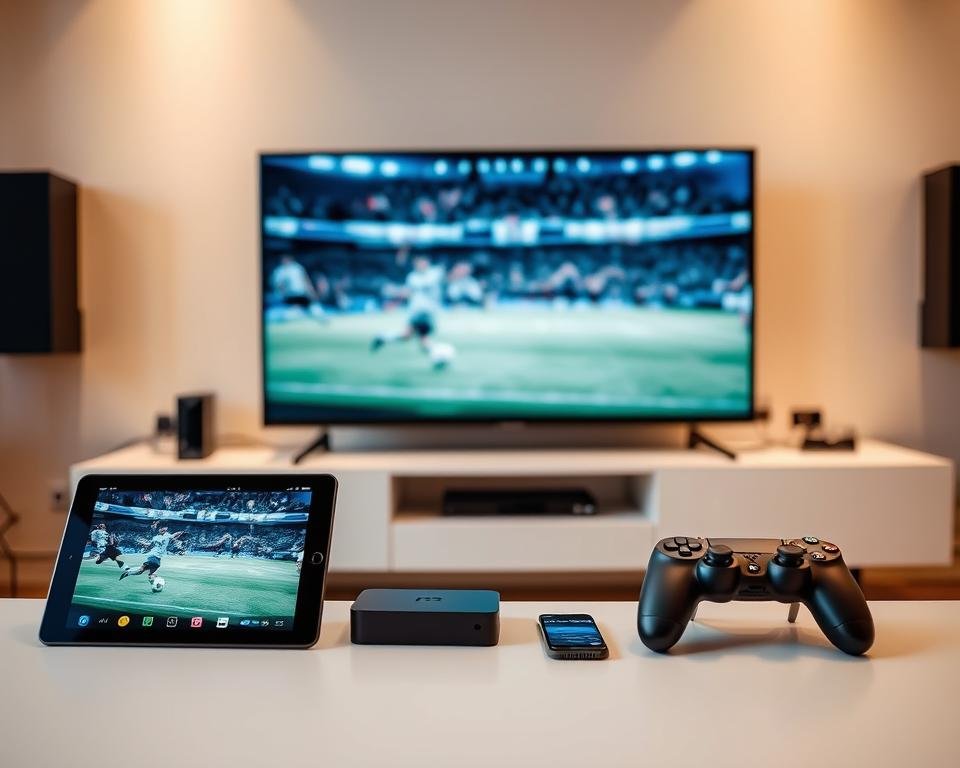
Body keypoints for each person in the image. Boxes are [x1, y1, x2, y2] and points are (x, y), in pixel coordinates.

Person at [370, 255, 453, 369]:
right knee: (421, 338)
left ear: (427, 263)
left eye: (423, 263)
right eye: (418, 263)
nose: (421, 265)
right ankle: (439, 357)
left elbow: (448, 277)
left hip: (429, 311)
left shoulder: (435, 273)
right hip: (418, 311)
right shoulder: (412, 277)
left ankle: (383, 337)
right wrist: (394, 302)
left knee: (408, 336)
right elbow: (407, 292)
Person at [119, 526, 183, 585]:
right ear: (159, 529)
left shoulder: (164, 536)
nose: (165, 531)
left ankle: (128, 573)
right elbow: (173, 535)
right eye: (163, 529)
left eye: (165, 530)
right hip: (153, 557)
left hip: (157, 558)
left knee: (142, 571)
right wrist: (180, 532)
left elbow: (151, 544)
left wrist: (143, 543)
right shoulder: (160, 537)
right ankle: (157, 584)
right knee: (149, 573)